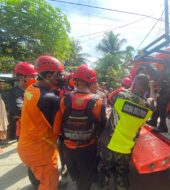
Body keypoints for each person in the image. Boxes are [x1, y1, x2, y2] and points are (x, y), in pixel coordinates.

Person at [92, 74, 155, 190]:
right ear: (146, 89)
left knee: (103, 174)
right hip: (126, 149)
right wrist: (151, 87)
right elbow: (152, 100)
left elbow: (110, 97)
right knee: (122, 175)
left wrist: (130, 87)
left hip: (109, 145)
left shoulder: (121, 96)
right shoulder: (148, 107)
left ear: (134, 84)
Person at [53, 64, 106, 190]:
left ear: (75, 81)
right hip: (88, 148)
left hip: (68, 148)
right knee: (85, 178)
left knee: (76, 175)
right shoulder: (98, 102)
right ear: (91, 81)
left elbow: (56, 128)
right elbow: (102, 128)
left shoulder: (63, 100)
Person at [17, 55, 64, 190]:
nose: (60, 78)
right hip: (42, 153)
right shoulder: (48, 98)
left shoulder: (31, 89)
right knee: (49, 185)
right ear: (49, 76)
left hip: (26, 146)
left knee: (38, 177)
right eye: (58, 75)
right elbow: (58, 130)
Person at [8, 62, 37, 140]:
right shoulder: (15, 92)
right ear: (21, 77)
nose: (35, 79)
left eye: (35, 76)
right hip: (23, 130)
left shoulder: (29, 91)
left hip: (32, 128)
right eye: (32, 76)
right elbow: (20, 111)